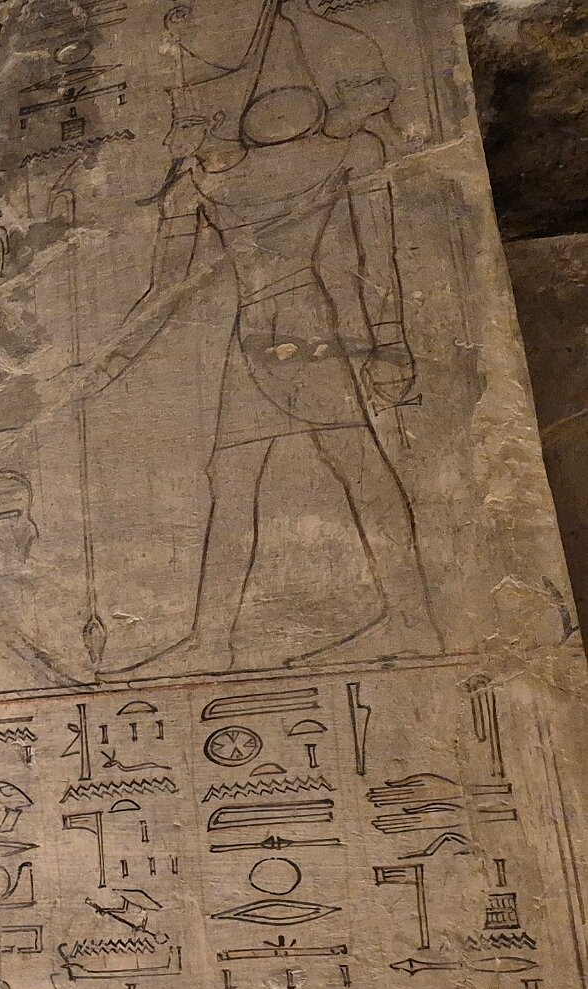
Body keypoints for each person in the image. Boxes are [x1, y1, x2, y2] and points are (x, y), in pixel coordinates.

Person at [89, 0, 437, 674]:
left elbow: (376, 254)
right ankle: (212, 641)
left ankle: (413, 619)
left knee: (356, 464)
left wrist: (391, 339)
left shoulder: (333, 156)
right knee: (236, 478)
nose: (177, 131)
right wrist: (107, 364)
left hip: (305, 331)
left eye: (189, 118)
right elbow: (165, 289)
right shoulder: (193, 188)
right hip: (254, 339)